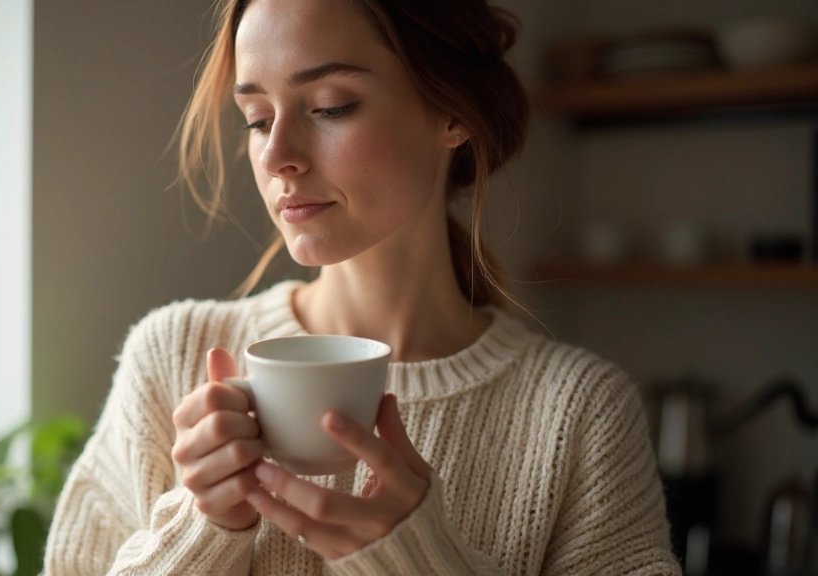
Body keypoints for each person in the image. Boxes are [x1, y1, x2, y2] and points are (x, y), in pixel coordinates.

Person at [44, 0, 681, 574]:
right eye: (258, 119)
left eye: (329, 107)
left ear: (454, 113)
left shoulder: (578, 414)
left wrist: (418, 559)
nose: (277, 157)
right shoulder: (173, 358)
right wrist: (201, 528)